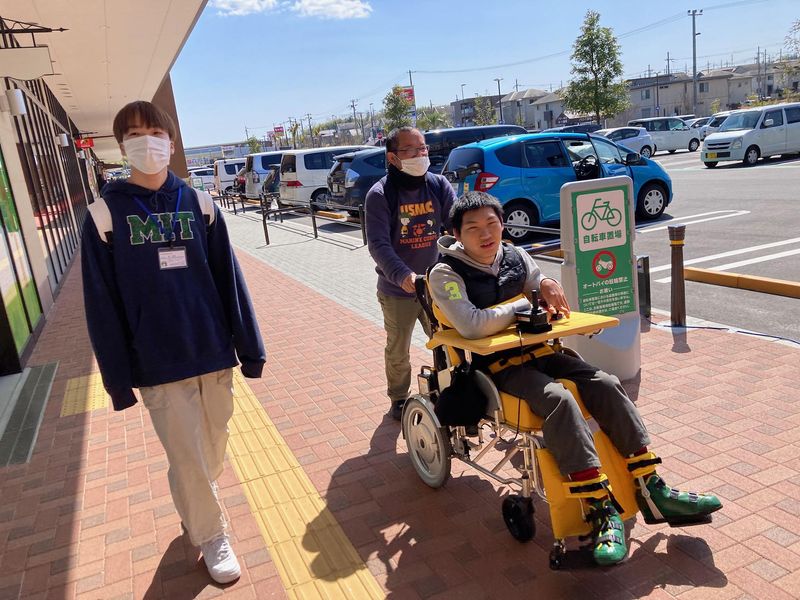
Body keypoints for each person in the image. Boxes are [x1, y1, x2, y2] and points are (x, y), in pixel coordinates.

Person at [428, 191, 721, 566]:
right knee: (559, 399)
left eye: (492, 224)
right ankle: (598, 507)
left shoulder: (515, 256)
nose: (485, 234)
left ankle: (652, 487)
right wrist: (523, 304)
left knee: (606, 383)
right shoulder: (446, 273)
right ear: (456, 234)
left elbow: (538, 281)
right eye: (473, 228)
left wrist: (547, 283)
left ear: (502, 225)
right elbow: (471, 324)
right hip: (498, 369)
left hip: (543, 353)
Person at [81, 101, 265, 584]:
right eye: (134, 134)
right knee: (188, 458)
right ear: (121, 146)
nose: (147, 142)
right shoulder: (103, 215)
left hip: (212, 351)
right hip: (157, 362)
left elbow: (229, 279)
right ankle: (211, 533)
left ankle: (193, 498)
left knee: (212, 450)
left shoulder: (200, 204)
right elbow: (101, 303)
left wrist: (250, 347)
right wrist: (117, 379)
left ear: (171, 140)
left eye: (155, 132)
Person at [365, 126, 456, 420]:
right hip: (398, 290)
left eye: (423, 148)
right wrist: (402, 275)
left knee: (449, 341)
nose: (421, 154)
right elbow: (378, 244)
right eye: (412, 150)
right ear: (393, 157)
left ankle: (450, 389)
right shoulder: (380, 194)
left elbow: (456, 227)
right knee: (398, 349)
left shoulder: (438, 185)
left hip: (436, 286)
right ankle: (399, 397)